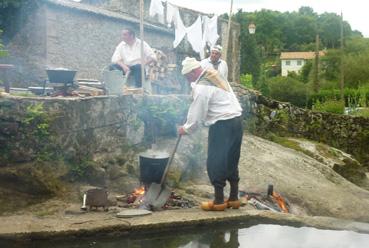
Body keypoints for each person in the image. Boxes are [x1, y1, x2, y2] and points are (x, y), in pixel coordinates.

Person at [178, 57, 243, 211]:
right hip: (237, 121)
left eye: (188, 77)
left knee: (216, 161)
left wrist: (185, 129)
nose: (188, 81)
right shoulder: (214, 74)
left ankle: (219, 201)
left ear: (194, 72)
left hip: (222, 125)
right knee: (231, 159)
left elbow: (197, 115)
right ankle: (234, 198)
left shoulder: (201, 88)